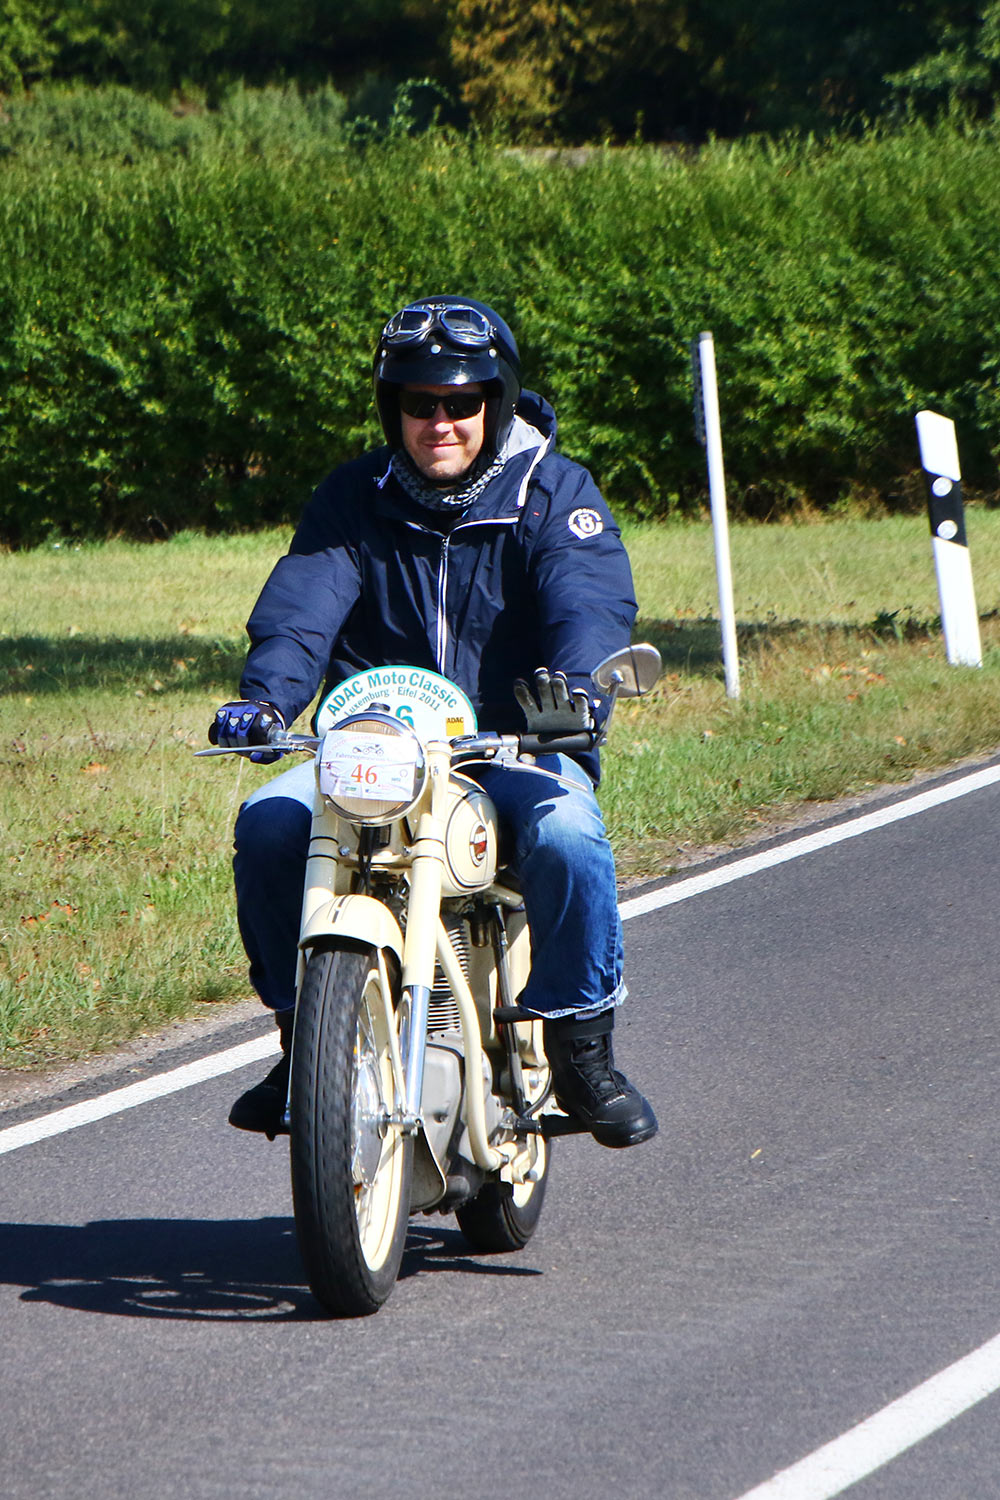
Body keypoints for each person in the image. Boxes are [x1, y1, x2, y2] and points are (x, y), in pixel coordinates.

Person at [211, 295, 657, 1150]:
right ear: (395, 409)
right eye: (420, 403)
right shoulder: (353, 497)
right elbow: (303, 611)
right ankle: (305, 1038)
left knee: (567, 832)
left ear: (497, 400)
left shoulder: (554, 491)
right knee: (267, 823)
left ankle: (581, 1044)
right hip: (373, 748)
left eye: (461, 401)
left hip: (511, 743)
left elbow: (588, 601)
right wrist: (266, 698)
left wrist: (575, 694)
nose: (441, 421)